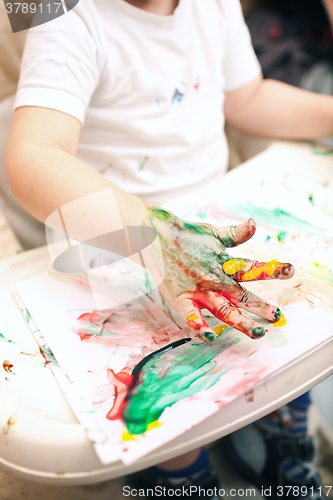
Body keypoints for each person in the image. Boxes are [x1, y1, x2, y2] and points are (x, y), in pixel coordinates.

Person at [6, 0, 333, 497]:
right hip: (120, 244)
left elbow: (247, 97)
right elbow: (33, 155)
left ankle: (276, 427)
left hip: (216, 225)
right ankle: (179, 473)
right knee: (168, 404)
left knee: (289, 317)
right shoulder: (66, 14)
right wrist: (154, 234)